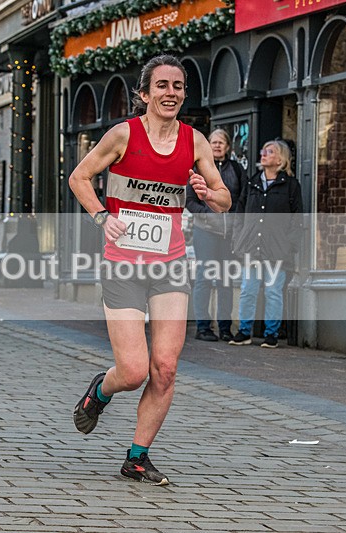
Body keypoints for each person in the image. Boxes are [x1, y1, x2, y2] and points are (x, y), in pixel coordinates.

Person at [68, 55, 231, 485]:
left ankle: (137, 457)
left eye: (177, 85)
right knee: (134, 369)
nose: (170, 92)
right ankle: (100, 391)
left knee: (165, 366)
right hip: (124, 263)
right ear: (144, 94)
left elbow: (224, 197)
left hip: (171, 263)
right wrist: (104, 217)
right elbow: (79, 178)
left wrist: (208, 192)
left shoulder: (194, 142)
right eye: (161, 85)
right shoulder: (124, 134)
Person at [229, 139, 302, 348]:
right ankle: (244, 331)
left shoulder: (290, 185)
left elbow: (298, 219)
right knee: (248, 289)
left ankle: (272, 333)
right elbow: (240, 213)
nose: (263, 154)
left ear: (281, 159)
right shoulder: (252, 182)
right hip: (251, 246)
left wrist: (289, 246)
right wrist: (238, 239)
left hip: (277, 249)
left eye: (269, 152)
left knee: (272, 291)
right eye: (263, 150)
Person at [186, 128, 246, 342]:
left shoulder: (237, 170)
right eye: (214, 142)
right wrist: (206, 215)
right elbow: (190, 201)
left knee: (226, 280)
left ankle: (225, 327)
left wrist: (236, 222)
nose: (218, 145)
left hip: (229, 234)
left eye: (222, 142)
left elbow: (241, 199)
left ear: (228, 147)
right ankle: (203, 326)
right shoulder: (198, 169)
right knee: (204, 278)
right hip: (206, 232)